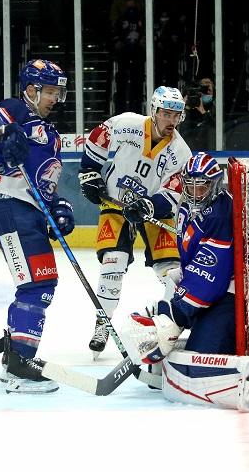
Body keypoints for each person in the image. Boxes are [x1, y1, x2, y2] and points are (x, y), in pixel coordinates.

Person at [120, 152, 249, 412]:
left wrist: (174, 312)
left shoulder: (221, 214)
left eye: (203, 185)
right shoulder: (188, 205)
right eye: (190, 185)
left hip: (246, 300)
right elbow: (169, 199)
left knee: (201, 361)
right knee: (194, 348)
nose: (196, 192)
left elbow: (210, 279)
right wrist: (147, 206)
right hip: (223, 296)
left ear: (215, 184)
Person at [0, 59, 74, 394]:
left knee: (41, 282)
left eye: (57, 93)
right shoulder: (14, 111)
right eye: (49, 91)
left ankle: (16, 354)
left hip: (28, 211)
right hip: (7, 205)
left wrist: (58, 207)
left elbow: (43, 184)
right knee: (37, 283)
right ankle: (19, 366)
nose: (54, 98)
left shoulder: (51, 135)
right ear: (31, 90)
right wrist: (3, 131)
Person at [78, 86, 192, 359]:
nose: (171, 121)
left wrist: (149, 206)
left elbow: (173, 192)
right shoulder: (126, 124)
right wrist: (89, 172)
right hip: (116, 203)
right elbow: (98, 138)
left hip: (153, 211)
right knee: (113, 264)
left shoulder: (181, 152)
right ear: (154, 110)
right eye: (166, 114)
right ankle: (103, 324)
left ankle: (172, 322)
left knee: (172, 271)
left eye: (176, 116)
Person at [178, 78, 215, 151]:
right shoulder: (188, 110)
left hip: (209, 151)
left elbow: (215, 130)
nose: (206, 93)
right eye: (203, 91)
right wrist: (185, 107)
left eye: (209, 90)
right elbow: (182, 132)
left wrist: (203, 111)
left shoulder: (216, 110)